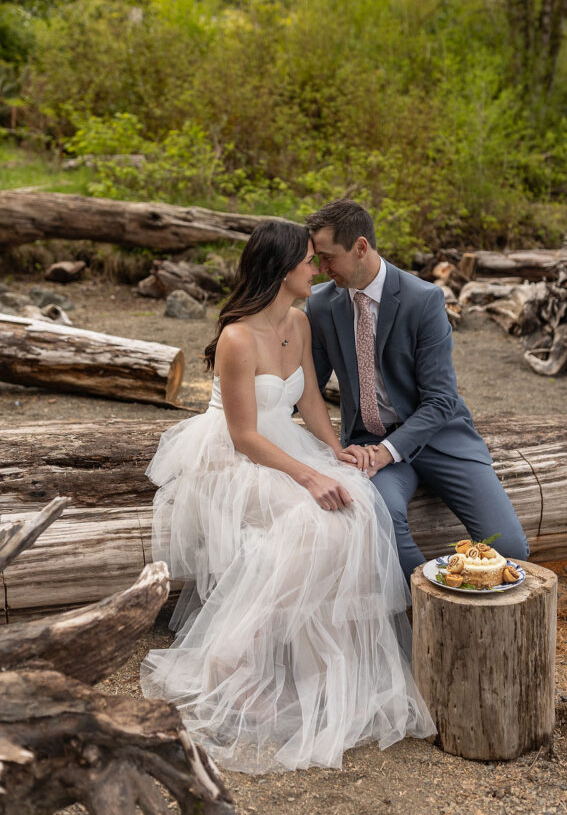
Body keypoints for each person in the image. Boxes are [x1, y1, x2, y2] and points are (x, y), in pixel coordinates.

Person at [140, 220, 435, 773]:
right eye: (306, 260)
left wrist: (335, 452)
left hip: (286, 443)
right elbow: (244, 435)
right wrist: (308, 476)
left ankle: (311, 664)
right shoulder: (235, 337)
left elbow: (312, 404)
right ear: (280, 270)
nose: (315, 268)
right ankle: (234, 652)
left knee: (355, 508)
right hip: (230, 458)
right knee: (313, 522)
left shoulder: (299, 323)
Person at [305, 199, 530, 584]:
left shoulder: (423, 299)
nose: (321, 269)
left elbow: (441, 400)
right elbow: (307, 386)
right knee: (383, 526)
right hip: (366, 444)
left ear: (360, 247)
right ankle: (434, 604)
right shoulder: (321, 304)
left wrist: (388, 451)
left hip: (441, 440)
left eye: (327, 258)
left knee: (510, 547)